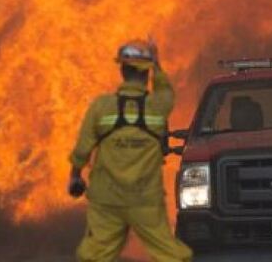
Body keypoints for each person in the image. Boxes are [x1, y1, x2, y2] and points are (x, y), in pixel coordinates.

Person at [68, 39, 192, 262]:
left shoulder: (101, 106)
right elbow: (165, 91)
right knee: (170, 255)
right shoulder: (158, 106)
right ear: (146, 73)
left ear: (122, 71)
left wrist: (75, 176)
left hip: (107, 198)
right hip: (144, 198)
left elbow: (82, 149)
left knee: (94, 255)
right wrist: (157, 64)